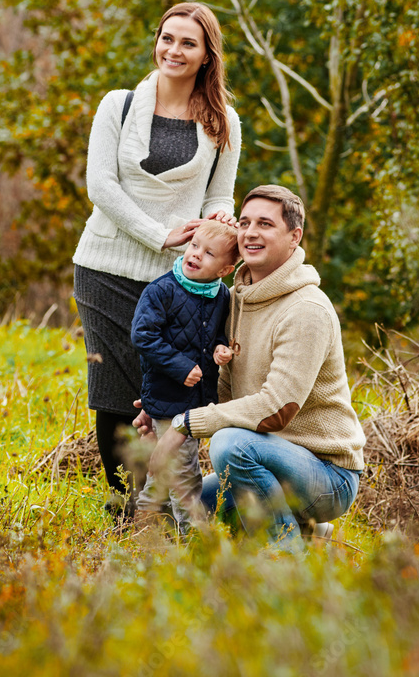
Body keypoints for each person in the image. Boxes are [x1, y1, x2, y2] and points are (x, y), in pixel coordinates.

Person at [72, 3, 241, 511]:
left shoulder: (222, 121)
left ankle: (162, 505)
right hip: (104, 268)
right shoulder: (117, 105)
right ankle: (125, 505)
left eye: (188, 43)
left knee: (167, 390)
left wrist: (221, 225)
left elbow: (219, 197)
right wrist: (158, 233)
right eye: (167, 38)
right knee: (114, 389)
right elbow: (99, 185)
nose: (174, 50)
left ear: (207, 55)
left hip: (175, 283)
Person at [136, 184, 366, 547]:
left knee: (229, 445)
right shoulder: (235, 299)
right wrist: (166, 408)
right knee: (179, 511)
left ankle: (287, 558)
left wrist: (185, 425)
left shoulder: (307, 310)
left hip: (324, 474)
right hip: (263, 458)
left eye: (265, 224)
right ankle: (311, 534)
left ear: (295, 236)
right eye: (244, 222)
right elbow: (222, 388)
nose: (251, 232)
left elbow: (276, 408)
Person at [131, 220, 239, 528]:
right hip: (169, 395)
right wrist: (180, 366)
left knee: (169, 467)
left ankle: (143, 523)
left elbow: (216, 334)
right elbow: (143, 335)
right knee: (185, 473)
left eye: (208, 253)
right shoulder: (162, 290)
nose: (195, 254)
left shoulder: (221, 296)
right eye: (194, 246)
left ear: (224, 270)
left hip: (198, 399)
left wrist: (221, 350)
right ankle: (192, 535)